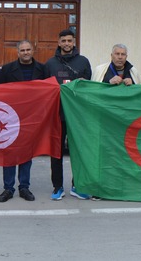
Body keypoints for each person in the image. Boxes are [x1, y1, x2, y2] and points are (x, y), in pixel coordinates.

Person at [44, 29, 92, 200]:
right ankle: (57, 187)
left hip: (77, 115)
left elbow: (88, 87)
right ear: (58, 42)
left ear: (74, 42)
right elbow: (44, 89)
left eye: (69, 41)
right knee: (56, 153)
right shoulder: (50, 64)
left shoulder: (83, 62)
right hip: (57, 115)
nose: (66, 44)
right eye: (63, 41)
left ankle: (77, 185)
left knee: (78, 152)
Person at [0, 40, 45, 203]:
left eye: (28, 49)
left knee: (26, 153)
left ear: (33, 51)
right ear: (17, 52)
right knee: (9, 152)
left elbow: (48, 92)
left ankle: (24, 187)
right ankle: (8, 188)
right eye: (22, 50)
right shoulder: (7, 70)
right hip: (10, 117)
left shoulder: (42, 69)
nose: (25, 52)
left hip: (32, 117)